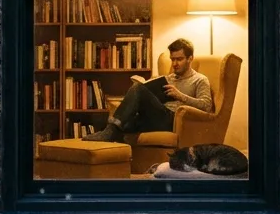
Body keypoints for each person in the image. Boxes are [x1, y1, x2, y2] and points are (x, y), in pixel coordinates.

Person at [84, 38, 214, 143]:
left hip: (172, 120)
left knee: (138, 90)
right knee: (126, 121)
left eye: (179, 59)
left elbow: (207, 106)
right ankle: (109, 134)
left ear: (190, 58)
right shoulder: (167, 78)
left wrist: (180, 96)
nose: (174, 63)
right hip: (155, 117)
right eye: (172, 59)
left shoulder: (200, 80)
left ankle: (110, 131)